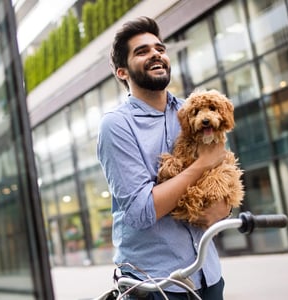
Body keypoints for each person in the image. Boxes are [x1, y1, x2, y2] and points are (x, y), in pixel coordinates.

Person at [96, 16, 230, 299]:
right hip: (156, 285)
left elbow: (224, 171)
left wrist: (224, 210)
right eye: (141, 51)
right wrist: (201, 164)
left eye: (159, 48)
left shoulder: (193, 110)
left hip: (209, 276)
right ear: (122, 72)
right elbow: (141, 211)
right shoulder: (117, 125)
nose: (156, 54)